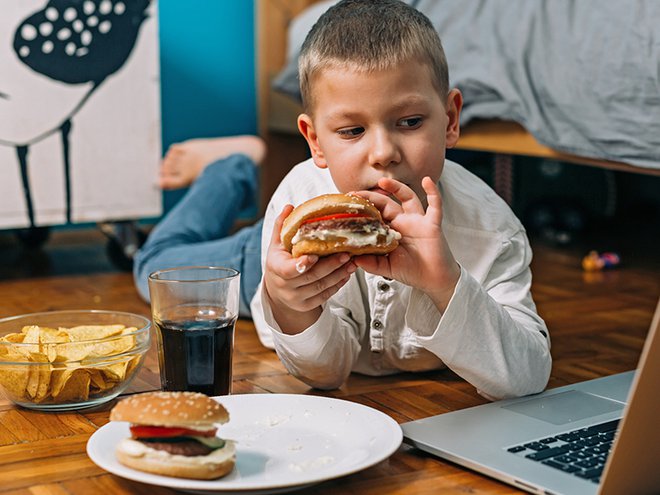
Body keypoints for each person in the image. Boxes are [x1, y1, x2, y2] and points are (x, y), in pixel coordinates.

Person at [250, 0, 552, 400]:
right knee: (165, 265)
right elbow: (325, 376)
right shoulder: (297, 202)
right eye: (352, 130)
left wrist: (446, 283)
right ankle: (232, 172)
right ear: (315, 141)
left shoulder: (492, 230)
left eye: (410, 122)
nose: (383, 153)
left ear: (450, 120)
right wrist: (290, 305)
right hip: (258, 258)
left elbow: (526, 378)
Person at [133, 136, 265, 318]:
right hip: (264, 250)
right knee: (154, 269)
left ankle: (232, 168)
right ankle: (231, 167)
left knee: (154, 267)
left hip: (262, 255)